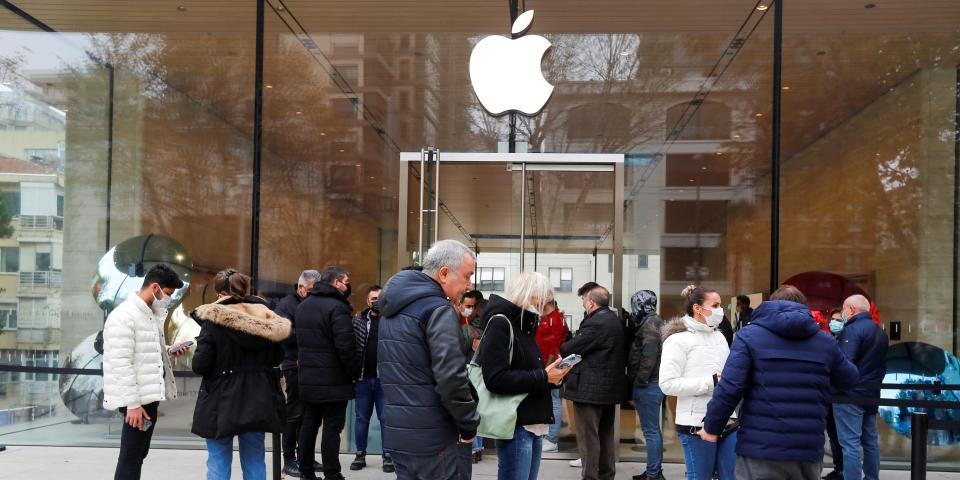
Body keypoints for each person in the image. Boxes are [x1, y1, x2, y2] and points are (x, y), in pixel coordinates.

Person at [698, 285, 859, 480]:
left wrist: (711, 428)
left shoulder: (749, 337)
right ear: (803, 307)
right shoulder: (825, 342)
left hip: (760, 449)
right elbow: (849, 379)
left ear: (771, 305)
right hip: (807, 449)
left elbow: (731, 387)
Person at [378, 239, 480, 480]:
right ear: (444, 273)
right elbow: (451, 379)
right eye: (467, 276)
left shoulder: (393, 309)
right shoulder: (437, 310)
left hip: (400, 435)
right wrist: (469, 425)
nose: (469, 285)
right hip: (435, 439)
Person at [191, 269, 291, 480]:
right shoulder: (266, 318)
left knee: (218, 460)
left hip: (221, 401)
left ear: (220, 293)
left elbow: (200, 365)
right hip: (258, 399)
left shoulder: (213, 319)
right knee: (255, 459)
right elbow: (276, 357)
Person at [475, 272, 570, 480]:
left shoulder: (525, 326)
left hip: (532, 423)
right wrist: (543, 377)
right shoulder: (501, 323)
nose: (546, 304)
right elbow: (495, 379)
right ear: (528, 294)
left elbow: (530, 374)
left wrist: (554, 377)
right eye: (542, 297)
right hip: (516, 424)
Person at [103, 264, 188, 480]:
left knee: (138, 454)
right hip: (136, 401)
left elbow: (144, 351)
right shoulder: (124, 316)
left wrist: (169, 351)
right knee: (130, 457)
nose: (168, 298)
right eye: (167, 293)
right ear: (155, 287)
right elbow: (120, 362)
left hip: (148, 398)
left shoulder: (149, 314)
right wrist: (132, 404)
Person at [659, 285, 734, 480]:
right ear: (697, 308)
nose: (720, 311)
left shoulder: (719, 337)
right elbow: (667, 384)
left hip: (728, 420)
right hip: (695, 423)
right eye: (715, 305)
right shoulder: (677, 340)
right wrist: (711, 382)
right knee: (700, 476)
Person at [295, 266, 361, 480]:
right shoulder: (338, 308)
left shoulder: (303, 306)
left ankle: (306, 471)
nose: (347, 285)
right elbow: (346, 347)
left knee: (309, 425)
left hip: (307, 379)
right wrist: (354, 372)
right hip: (334, 381)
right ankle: (332, 474)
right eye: (345, 281)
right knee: (332, 429)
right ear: (336, 283)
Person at [560, 285, 625, 480]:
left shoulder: (596, 322)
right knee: (605, 436)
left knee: (588, 438)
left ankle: (590, 477)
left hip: (590, 390)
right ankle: (606, 475)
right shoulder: (613, 319)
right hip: (607, 390)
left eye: (584, 301)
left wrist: (566, 344)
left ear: (591, 302)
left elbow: (570, 348)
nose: (583, 304)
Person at [834, 294, 888, 480]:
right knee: (870, 442)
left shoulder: (852, 330)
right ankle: (872, 477)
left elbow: (844, 364)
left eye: (843, 308)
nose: (842, 312)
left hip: (850, 396)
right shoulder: (880, 332)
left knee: (850, 445)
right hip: (871, 394)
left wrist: (835, 388)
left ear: (852, 310)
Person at [273, 269, 321, 478]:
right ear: (301, 287)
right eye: (310, 290)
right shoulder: (286, 305)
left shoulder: (311, 302)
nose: (313, 294)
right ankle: (289, 459)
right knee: (294, 414)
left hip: (311, 366)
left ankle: (305, 456)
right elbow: (285, 334)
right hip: (294, 366)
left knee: (308, 415)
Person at [349, 285, 395, 473]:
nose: (376, 301)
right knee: (361, 419)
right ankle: (360, 454)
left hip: (385, 379)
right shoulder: (358, 321)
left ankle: (387, 456)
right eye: (374, 298)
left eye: (380, 298)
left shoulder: (391, 321)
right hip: (363, 379)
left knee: (386, 418)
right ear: (368, 301)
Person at [627, 290, 666, 480]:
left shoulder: (651, 323)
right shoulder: (653, 321)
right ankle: (654, 471)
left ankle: (653, 474)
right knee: (653, 431)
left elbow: (649, 357)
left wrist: (639, 382)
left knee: (650, 432)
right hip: (652, 383)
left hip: (649, 384)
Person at [536, 299, 569, 453]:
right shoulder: (549, 318)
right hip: (545, 363)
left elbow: (554, 345)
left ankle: (551, 439)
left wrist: (547, 367)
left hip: (550, 365)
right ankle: (549, 436)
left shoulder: (555, 319)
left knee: (554, 400)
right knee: (551, 399)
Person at [461, 294, 489, 463]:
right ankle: (478, 449)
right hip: (484, 373)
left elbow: (460, 349)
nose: (468, 310)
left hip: (470, 371)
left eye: (472, 307)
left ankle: (472, 449)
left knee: (470, 409)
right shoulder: (491, 327)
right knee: (479, 410)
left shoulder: (468, 328)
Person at [824, 308, 845, 480]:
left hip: (839, 395)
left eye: (838, 319)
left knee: (839, 435)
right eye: (833, 319)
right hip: (828, 395)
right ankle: (838, 468)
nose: (835, 322)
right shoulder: (830, 340)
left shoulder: (845, 342)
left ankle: (842, 469)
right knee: (831, 433)